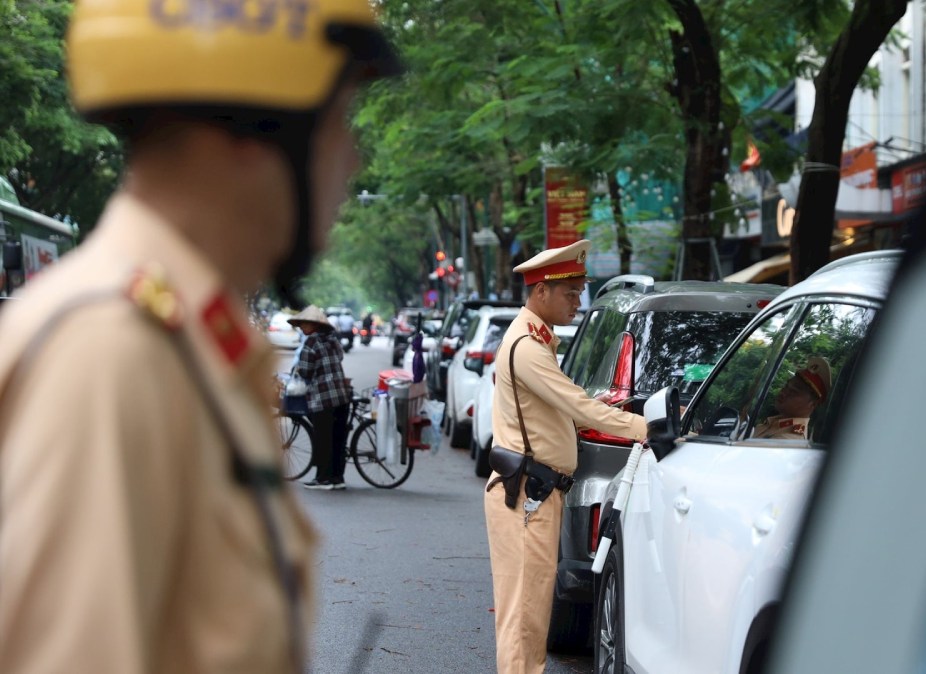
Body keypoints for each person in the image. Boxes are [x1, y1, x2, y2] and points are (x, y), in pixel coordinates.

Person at [0, 0, 399, 669]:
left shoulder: (189, 343)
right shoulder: (112, 353)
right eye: (337, 124)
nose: (353, 159)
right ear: (251, 131)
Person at [484, 239, 648, 674]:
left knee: (532, 611)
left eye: (579, 292)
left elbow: (562, 414)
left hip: (535, 491)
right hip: (527, 494)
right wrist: (642, 428)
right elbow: (578, 405)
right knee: (524, 616)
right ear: (542, 292)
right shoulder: (527, 347)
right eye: (571, 293)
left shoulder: (537, 341)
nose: (578, 302)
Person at [289, 306, 353, 491]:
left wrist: (300, 370)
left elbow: (306, 370)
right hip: (341, 395)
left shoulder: (311, 342)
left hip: (323, 398)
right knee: (338, 438)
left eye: (304, 324)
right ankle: (337, 478)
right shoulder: (333, 340)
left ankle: (323, 479)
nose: (301, 327)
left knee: (323, 439)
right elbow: (339, 358)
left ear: (314, 325)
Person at [753, 356, 833, 440]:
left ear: (813, 404)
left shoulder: (788, 439)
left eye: (794, 391)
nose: (784, 392)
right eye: (786, 386)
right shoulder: (774, 423)